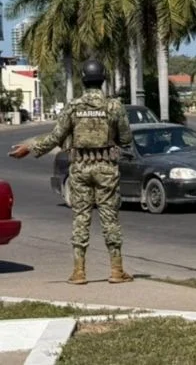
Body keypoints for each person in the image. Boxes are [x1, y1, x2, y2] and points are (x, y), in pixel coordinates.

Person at [8, 58, 134, 285]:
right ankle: (116, 270)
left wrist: (29, 147)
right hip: (106, 168)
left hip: (80, 168)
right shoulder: (114, 106)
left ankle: (79, 272)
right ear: (103, 80)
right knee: (110, 218)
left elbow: (55, 138)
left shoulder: (73, 107)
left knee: (80, 218)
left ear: (83, 81)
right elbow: (126, 139)